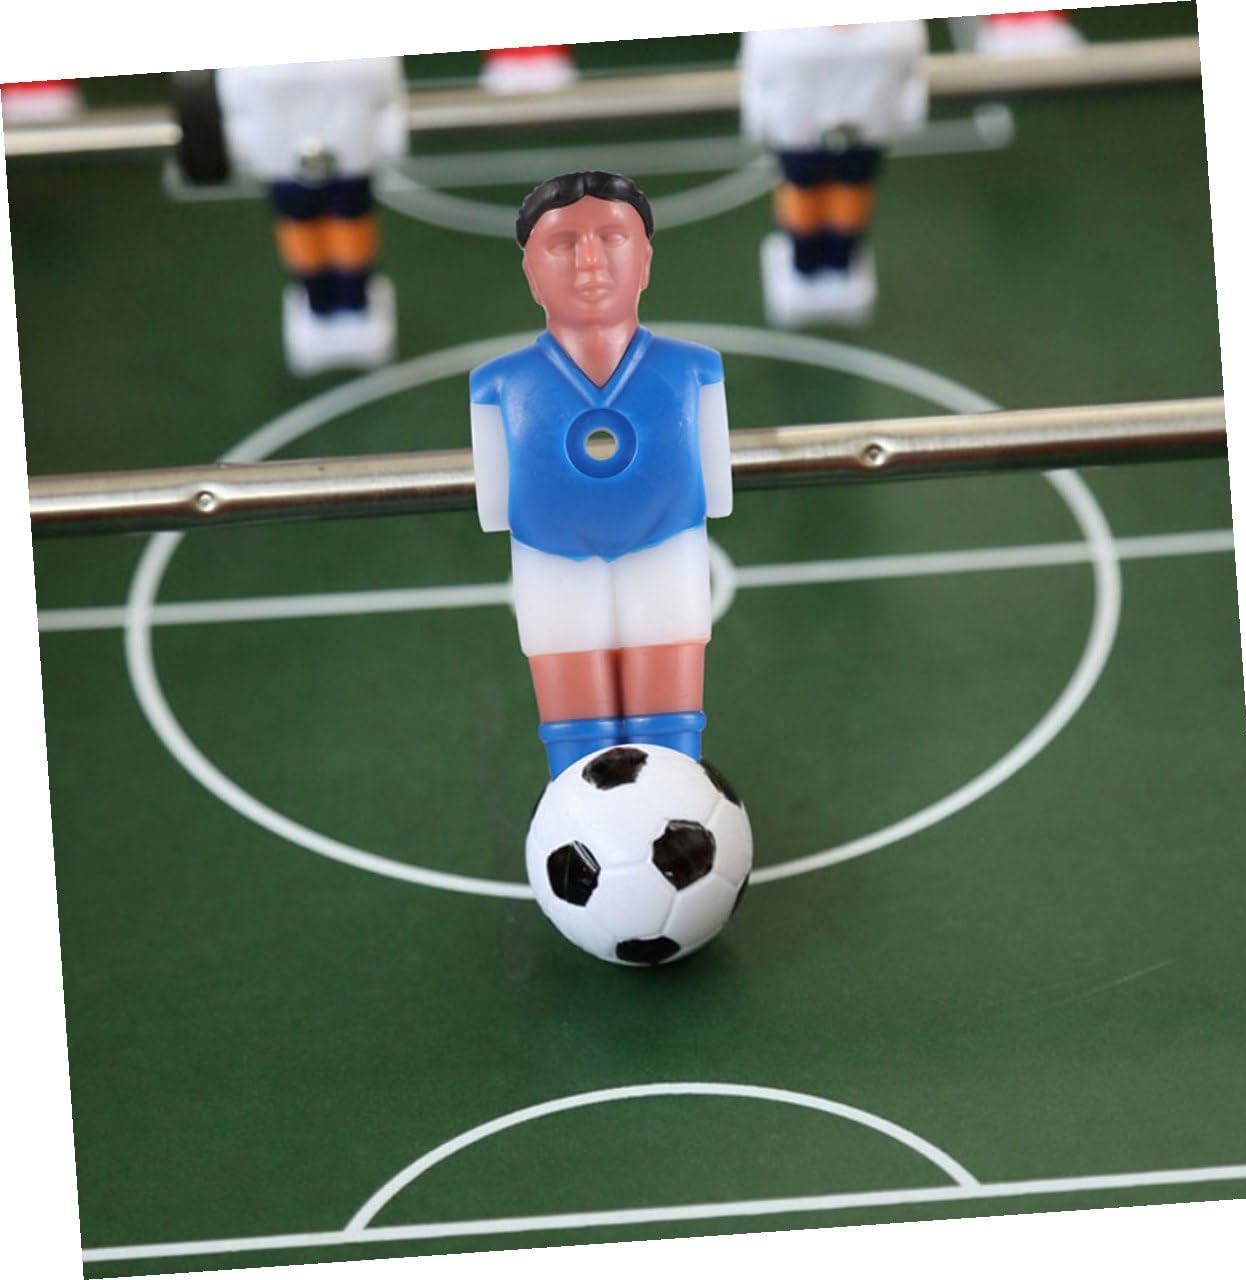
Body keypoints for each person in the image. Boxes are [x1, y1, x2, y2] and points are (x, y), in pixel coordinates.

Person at [469, 172, 733, 778]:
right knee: (575, 745)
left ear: (646, 261)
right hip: (552, 562)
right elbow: (496, 505)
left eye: (611, 238)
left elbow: (715, 492)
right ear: (531, 273)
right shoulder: (499, 387)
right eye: (563, 244)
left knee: (670, 736)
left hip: (667, 554)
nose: (590, 261)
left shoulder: (695, 372)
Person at [215, 58, 407, 376]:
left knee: (347, 234)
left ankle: (351, 304)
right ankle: (322, 304)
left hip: (342, 159)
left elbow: (383, 90)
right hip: (293, 163)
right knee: (306, 236)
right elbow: (234, 102)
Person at [739, 22, 928, 328]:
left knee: (834, 193)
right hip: (830, 131)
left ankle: (826, 261)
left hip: (821, 131)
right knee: (824, 193)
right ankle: (817, 261)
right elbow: (911, 80)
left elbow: (758, 81)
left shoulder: (776, 35)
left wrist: (760, 120)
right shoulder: (897, 31)